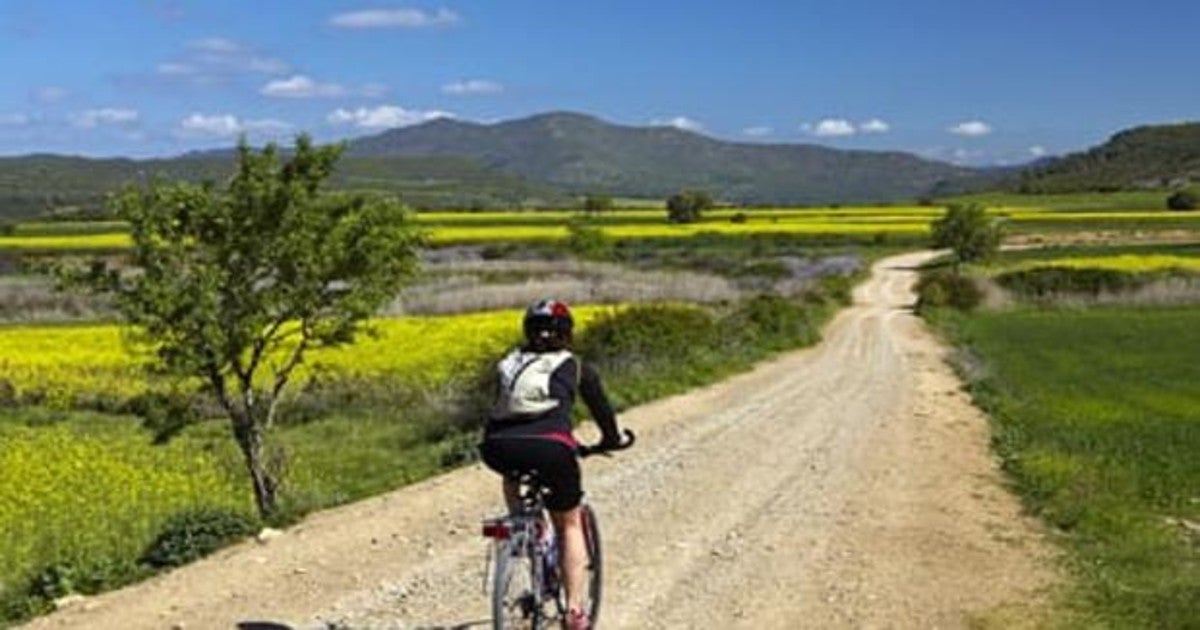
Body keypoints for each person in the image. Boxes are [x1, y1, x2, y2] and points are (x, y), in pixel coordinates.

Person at [479, 298, 623, 630]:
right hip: (551, 448)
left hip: (496, 447)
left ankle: (520, 526)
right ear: (567, 333)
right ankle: (574, 612)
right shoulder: (575, 365)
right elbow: (602, 410)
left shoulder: (509, 362)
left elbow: (503, 405)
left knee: (512, 470)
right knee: (569, 523)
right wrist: (611, 439)